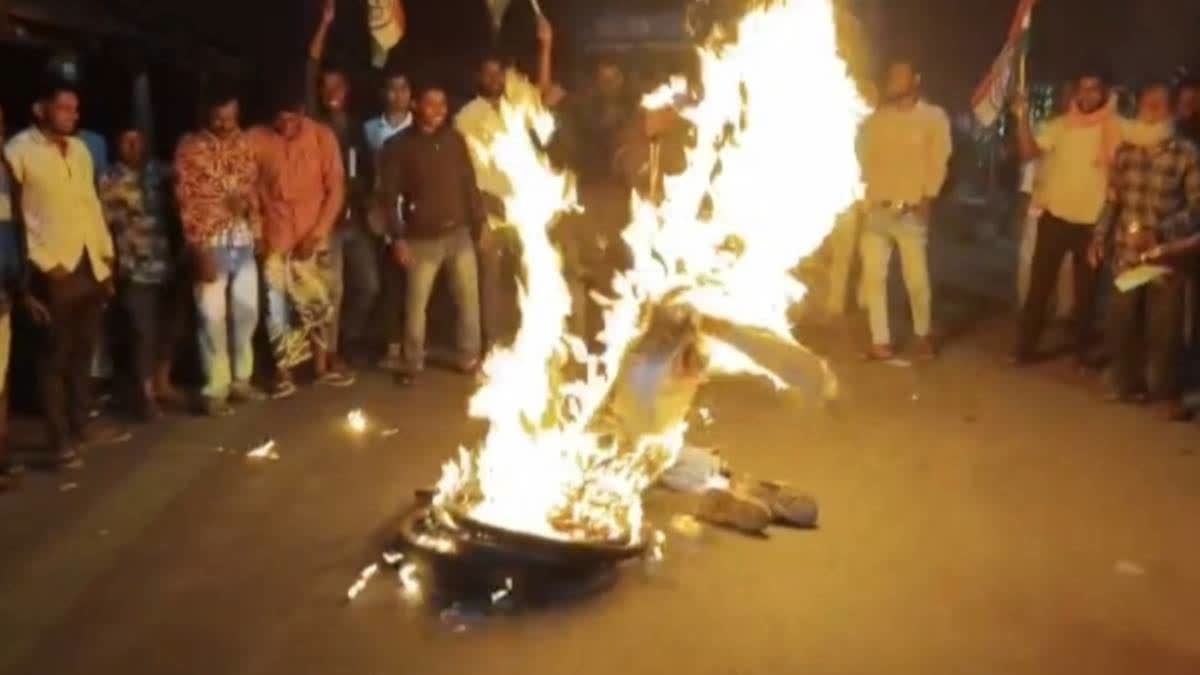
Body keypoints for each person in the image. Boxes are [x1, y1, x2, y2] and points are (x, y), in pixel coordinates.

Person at [4, 82, 131, 467]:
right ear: (40, 109)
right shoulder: (17, 151)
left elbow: (90, 204)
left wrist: (106, 257)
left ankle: (80, 423)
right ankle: (58, 440)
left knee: (83, 351)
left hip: (89, 263)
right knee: (55, 358)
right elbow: (18, 218)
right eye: (63, 108)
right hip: (54, 268)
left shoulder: (79, 150)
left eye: (75, 109)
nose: (72, 115)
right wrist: (43, 263)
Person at [1087, 81, 1200, 420]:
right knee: (1120, 322)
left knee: (1163, 330)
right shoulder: (1126, 151)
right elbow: (1112, 200)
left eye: (1158, 105)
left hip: (1165, 258)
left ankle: (1162, 391)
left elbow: (1196, 207)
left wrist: (1159, 232)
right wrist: (1098, 237)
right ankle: (1123, 382)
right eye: (1146, 104)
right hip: (1126, 255)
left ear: (1170, 112)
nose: (1150, 111)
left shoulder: (1186, 154)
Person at [455, 16, 559, 350]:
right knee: (492, 283)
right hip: (491, 211)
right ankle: (493, 345)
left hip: (527, 208)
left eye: (498, 73)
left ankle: (536, 340)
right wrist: (481, 212)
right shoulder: (466, 118)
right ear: (477, 78)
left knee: (534, 272)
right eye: (488, 74)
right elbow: (467, 175)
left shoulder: (515, 104)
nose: (495, 79)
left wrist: (546, 46)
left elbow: (542, 97)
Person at [1011, 66, 1125, 367]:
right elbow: (1028, 153)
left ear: (1104, 93)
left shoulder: (1114, 129)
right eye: (1082, 88)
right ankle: (1026, 346)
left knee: (1086, 293)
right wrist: (1021, 117)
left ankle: (1082, 351)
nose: (1087, 95)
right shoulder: (1061, 126)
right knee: (1040, 286)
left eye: (1094, 89)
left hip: (1092, 224)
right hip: (1055, 217)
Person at [377, 84, 485, 386]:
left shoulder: (455, 141)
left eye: (442, 104)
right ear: (415, 105)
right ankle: (412, 362)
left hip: (459, 233)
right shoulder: (398, 146)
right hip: (421, 239)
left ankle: (469, 358)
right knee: (416, 306)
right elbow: (388, 196)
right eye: (430, 104)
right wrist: (397, 237)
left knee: (468, 301)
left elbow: (469, 183)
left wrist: (478, 222)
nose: (438, 110)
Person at [251, 95, 352, 397]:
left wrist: (318, 233)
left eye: (291, 118)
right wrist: (259, 234)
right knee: (278, 309)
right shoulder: (256, 140)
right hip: (277, 237)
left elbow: (335, 189)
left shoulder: (322, 137)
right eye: (278, 119)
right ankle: (283, 373)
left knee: (319, 304)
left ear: (302, 112)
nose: (284, 125)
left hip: (314, 237)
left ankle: (322, 368)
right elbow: (250, 190)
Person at [175, 87, 267, 417]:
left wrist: (256, 227)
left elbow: (253, 188)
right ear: (207, 114)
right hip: (210, 243)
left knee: (247, 313)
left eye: (230, 116)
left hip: (242, 240)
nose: (225, 123)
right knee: (211, 318)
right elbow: (186, 201)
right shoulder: (191, 148)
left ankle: (241, 379)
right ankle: (215, 388)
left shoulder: (245, 143)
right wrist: (199, 249)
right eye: (219, 117)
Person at [855, 58, 951, 360]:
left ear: (915, 80)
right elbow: (860, 156)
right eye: (891, 75)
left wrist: (929, 197)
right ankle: (879, 340)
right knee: (874, 277)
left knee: (917, 280)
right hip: (877, 209)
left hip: (911, 210)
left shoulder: (934, 117)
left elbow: (940, 159)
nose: (893, 80)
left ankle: (923, 334)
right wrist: (863, 196)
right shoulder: (876, 120)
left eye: (900, 75)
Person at [308, 0, 378, 370]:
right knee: (330, 290)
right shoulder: (315, 127)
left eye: (338, 85)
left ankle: (347, 341)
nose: (332, 90)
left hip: (354, 221)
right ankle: (326, 355)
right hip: (326, 223)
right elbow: (310, 67)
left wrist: (367, 200)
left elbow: (366, 172)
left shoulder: (355, 127)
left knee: (368, 285)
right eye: (326, 85)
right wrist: (325, 23)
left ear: (347, 89)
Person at [99, 126, 185, 420]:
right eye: (127, 140)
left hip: (166, 263)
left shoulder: (157, 172)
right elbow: (101, 225)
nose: (134, 146)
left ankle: (163, 382)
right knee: (142, 333)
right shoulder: (110, 179)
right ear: (118, 145)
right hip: (134, 267)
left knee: (169, 328)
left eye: (138, 140)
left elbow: (186, 175)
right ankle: (145, 396)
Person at [554, 56, 639, 339]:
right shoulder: (583, 109)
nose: (608, 85)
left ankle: (615, 333)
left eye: (613, 79)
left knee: (617, 265)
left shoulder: (633, 110)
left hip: (619, 198)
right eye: (603, 80)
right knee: (585, 267)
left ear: (622, 80)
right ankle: (583, 336)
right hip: (587, 193)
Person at [364, 70, 414, 372]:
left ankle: (413, 344)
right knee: (389, 283)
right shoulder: (370, 129)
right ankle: (392, 345)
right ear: (384, 92)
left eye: (403, 88)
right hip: (382, 217)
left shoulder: (419, 127)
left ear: (411, 93)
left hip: (414, 216)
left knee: (415, 284)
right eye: (392, 89)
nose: (398, 95)